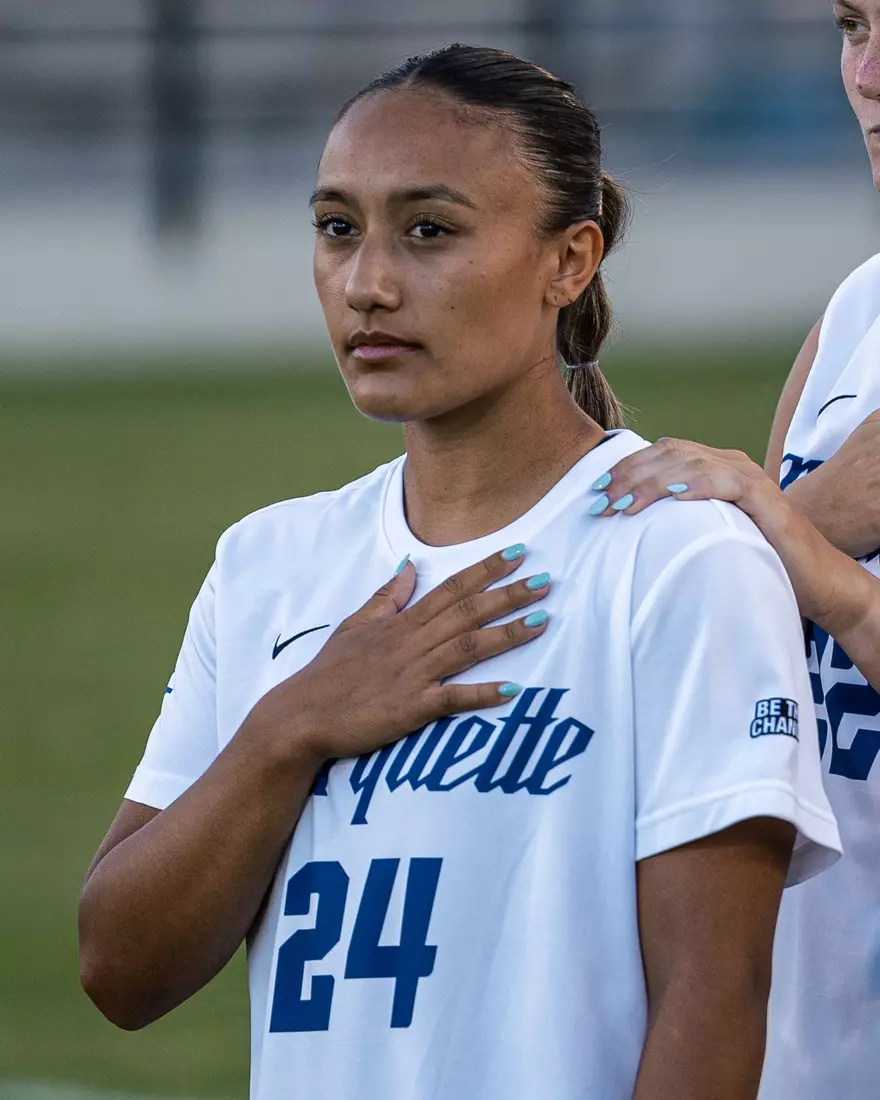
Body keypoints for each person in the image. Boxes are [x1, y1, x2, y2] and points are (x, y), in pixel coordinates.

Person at [78, 45, 840, 1100]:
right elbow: (120, 966)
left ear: (569, 261)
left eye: (428, 230)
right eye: (337, 227)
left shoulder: (678, 555)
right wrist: (290, 727)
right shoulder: (267, 564)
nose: (367, 283)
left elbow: (714, 1003)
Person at [588, 4, 880, 1096]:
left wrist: (810, 545)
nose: (868, 72)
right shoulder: (857, 312)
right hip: (805, 1043)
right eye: (851, 25)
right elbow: (759, 658)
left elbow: (803, 563)